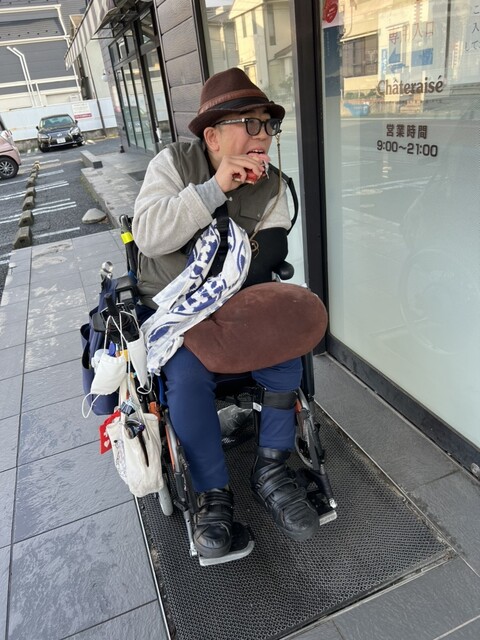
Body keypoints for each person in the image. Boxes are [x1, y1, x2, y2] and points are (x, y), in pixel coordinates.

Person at [132, 68, 318, 559]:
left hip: (236, 305)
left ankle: (271, 468)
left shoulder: (274, 186)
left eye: (268, 125)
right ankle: (214, 493)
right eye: (251, 124)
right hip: (177, 308)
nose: (264, 136)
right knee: (186, 376)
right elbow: (149, 234)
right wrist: (214, 189)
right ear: (212, 136)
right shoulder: (173, 164)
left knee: (284, 353)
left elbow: (268, 256)